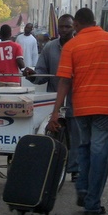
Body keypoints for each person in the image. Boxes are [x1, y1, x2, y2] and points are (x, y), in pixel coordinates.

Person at [47, 8, 108, 215]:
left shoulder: (71, 46)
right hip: (105, 106)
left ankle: (84, 189)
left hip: (80, 107)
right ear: (95, 22)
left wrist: (55, 112)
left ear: (77, 24)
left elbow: (64, 81)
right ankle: (92, 203)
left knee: (84, 147)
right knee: (100, 152)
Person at [23, 14, 79, 181]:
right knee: (53, 135)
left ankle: (76, 170)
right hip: (54, 100)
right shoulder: (49, 47)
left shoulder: (80, 46)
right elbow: (42, 73)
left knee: (76, 136)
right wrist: (32, 75)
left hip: (77, 100)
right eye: (61, 27)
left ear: (74, 27)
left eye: (67, 27)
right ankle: (53, 168)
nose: (63, 30)